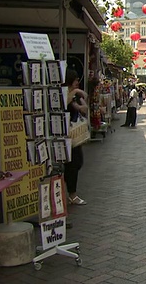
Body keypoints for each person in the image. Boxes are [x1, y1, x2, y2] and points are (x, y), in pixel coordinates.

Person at [64, 69, 88, 205]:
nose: (77, 82)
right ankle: (72, 194)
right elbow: (70, 104)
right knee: (73, 163)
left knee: (77, 162)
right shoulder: (65, 95)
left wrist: (78, 95)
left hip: (74, 135)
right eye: (76, 80)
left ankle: (70, 190)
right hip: (65, 134)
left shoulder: (74, 95)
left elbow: (84, 107)